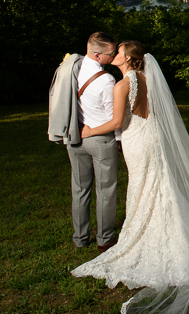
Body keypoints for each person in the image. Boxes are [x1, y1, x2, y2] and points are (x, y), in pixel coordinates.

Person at [71, 41, 189, 314]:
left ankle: (148, 234)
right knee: (160, 185)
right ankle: (177, 232)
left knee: (143, 186)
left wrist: (88, 131)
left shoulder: (122, 84)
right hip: (153, 136)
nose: (115, 54)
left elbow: (115, 123)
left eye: (119, 50)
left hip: (136, 140)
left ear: (127, 58)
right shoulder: (147, 78)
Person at [65, 32, 121, 251]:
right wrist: (119, 141)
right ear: (98, 55)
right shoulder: (107, 80)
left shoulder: (72, 68)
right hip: (101, 141)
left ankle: (80, 238)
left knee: (79, 189)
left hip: (76, 136)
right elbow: (113, 119)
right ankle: (105, 239)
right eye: (111, 53)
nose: (114, 55)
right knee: (106, 190)